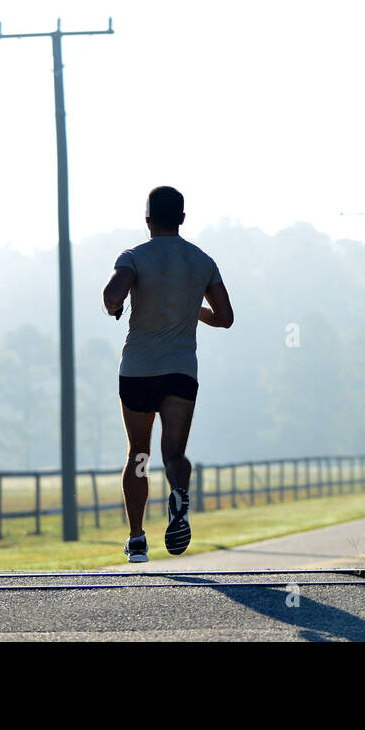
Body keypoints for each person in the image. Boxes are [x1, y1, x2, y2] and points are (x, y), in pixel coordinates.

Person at [103, 186, 233, 563]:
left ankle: (137, 538)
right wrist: (193, 311)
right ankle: (179, 496)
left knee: (139, 454)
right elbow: (225, 318)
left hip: (139, 371)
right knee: (174, 452)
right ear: (182, 219)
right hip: (180, 371)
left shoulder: (133, 257)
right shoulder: (202, 261)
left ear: (147, 220)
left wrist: (117, 305)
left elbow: (112, 295)